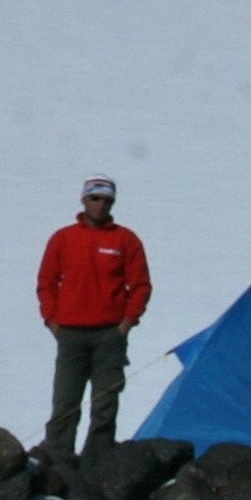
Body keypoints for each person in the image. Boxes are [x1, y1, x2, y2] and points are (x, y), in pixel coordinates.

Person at [36, 177, 152, 460]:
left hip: (109, 334)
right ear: (84, 200)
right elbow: (47, 281)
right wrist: (52, 319)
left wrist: (127, 323)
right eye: (96, 199)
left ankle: (97, 459)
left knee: (105, 401)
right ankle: (58, 458)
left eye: (107, 200)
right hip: (71, 334)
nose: (101, 205)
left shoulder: (125, 239)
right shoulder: (63, 238)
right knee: (65, 400)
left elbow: (141, 285)